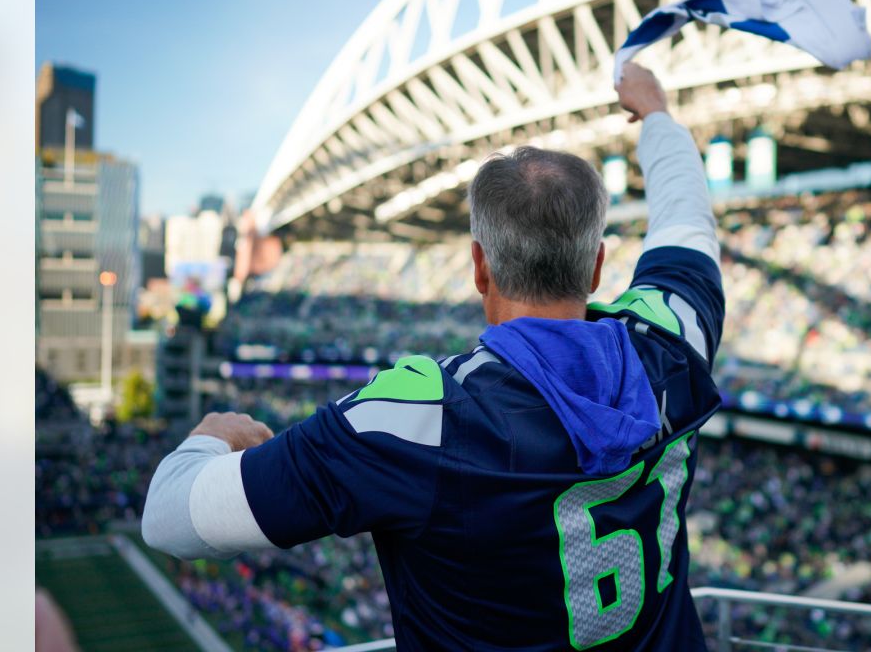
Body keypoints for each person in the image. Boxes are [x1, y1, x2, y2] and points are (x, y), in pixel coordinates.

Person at [142, 62, 726, 651]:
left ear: (479, 267)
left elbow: (168, 514)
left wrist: (209, 438)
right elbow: (687, 225)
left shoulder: (419, 420)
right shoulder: (672, 341)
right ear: (597, 266)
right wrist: (657, 117)